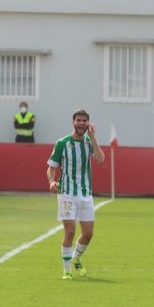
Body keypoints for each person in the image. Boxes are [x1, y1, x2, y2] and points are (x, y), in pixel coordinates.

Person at [46, 109, 106, 280]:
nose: (81, 123)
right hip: (67, 193)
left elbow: (101, 160)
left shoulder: (89, 142)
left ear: (88, 124)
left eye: (84, 121)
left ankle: (75, 259)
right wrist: (51, 182)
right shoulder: (62, 143)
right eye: (78, 120)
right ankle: (67, 270)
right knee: (70, 231)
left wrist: (94, 138)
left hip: (86, 194)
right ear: (73, 122)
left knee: (88, 233)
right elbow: (51, 167)